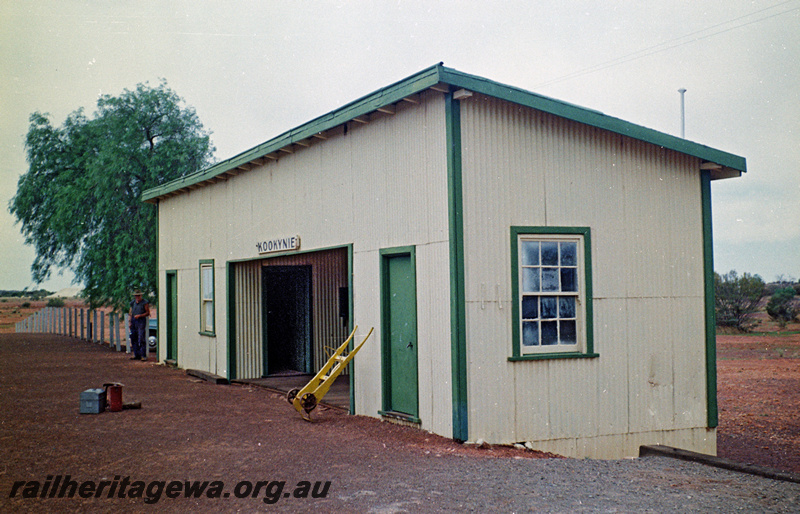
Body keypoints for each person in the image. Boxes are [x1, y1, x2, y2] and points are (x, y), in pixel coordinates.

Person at [129, 290, 151, 361]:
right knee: (133, 337)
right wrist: (130, 322)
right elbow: (131, 312)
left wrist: (140, 315)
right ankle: (136, 354)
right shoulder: (133, 303)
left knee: (141, 337)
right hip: (134, 320)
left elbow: (147, 313)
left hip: (141, 320)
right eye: (136, 295)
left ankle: (143, 355)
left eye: (138, 295)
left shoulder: (144, 303)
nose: (137, 297)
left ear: (141, 296)